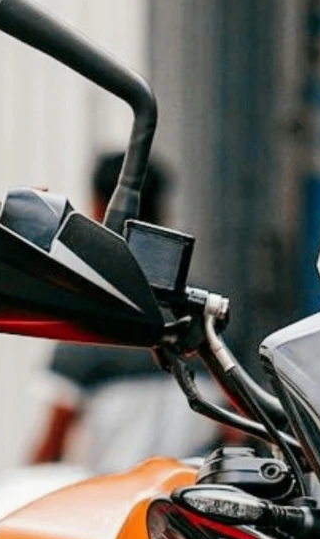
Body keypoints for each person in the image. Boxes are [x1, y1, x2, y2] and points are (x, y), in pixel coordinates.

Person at [27, 153, 210, 472]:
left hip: (115, 505)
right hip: (194, 499)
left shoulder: (90, 317)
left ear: (98, 210)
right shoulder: (201, 313)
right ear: (164, 212)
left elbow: (51, 446)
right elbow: (235, 431)